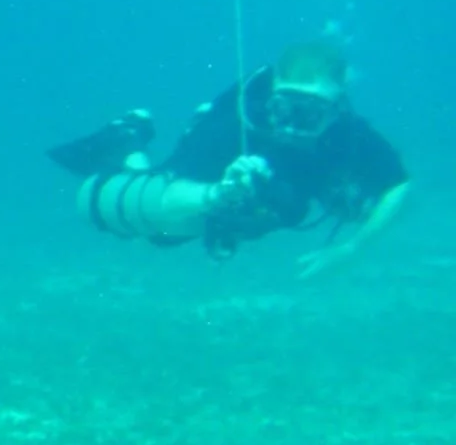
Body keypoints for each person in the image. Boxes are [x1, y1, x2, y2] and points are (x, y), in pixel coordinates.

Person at [48, 39, 409, 275]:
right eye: (285, 110)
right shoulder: (235, 122)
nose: (293, 126)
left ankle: (133, 145)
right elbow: (168, 190)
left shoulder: (348, 132)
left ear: (335, 109)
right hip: (209, 173)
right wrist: (218, 193)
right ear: (273, 96)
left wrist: (352, 248)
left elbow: (398, 185)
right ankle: (127, 139)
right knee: (152, 238)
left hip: (266, 201)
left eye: (310, 113)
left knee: (173, 234)